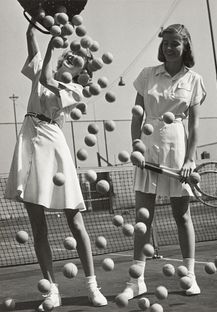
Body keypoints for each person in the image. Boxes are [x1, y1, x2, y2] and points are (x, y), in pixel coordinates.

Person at [5, 21, 107, 311]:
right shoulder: (44, 67)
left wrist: (52, 46)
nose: (74, 54)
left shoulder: (74, 89)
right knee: (38, 227)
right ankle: (52, 291)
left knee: (75, 222)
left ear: (82, 72)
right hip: (28, 143)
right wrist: (32, 29)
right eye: (72, 51)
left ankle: (92, 286)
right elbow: (36, 56)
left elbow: (48, 76)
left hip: (54, 145)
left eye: (80, 57)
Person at [122, 24, 206, 299]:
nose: (169, 48)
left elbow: (194, 127)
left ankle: (189, 275)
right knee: (142, 217)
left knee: (182, 215)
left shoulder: (194, 80)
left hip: (178, 149)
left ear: (185, 48)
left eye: (175, 44)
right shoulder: (147, 75)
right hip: (148, 147)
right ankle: (137, 280)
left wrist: (190, 159)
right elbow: (137, 115)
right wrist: (136, 145)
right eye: (166, 43)